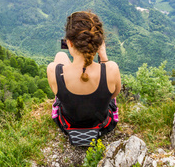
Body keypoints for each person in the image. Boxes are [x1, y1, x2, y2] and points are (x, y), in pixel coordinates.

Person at [47, 11, 121, 144]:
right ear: (98, 44)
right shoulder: (112, 69)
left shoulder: (52, 70)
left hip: (68, 125)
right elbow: (112, 96)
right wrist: (103, 58)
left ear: (69, 43)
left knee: (60, 56)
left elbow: (57, 93)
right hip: (102, 125)